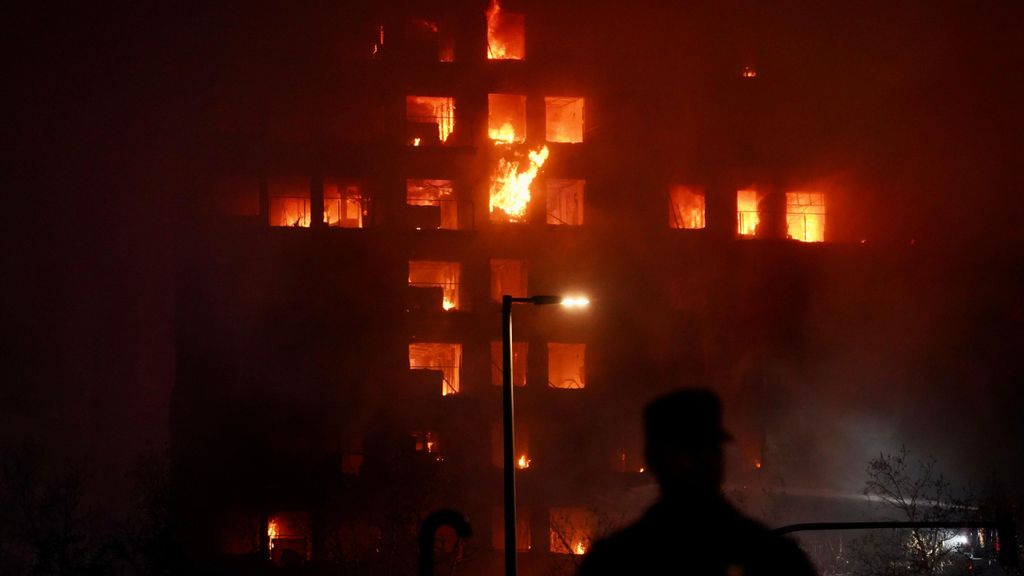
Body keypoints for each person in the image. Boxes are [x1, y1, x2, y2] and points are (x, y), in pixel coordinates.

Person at [576, 388, 817, 576]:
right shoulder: (772, 556)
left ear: (650, 460)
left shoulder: (614, 561)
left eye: (707, 449)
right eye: (688, 451)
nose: (699, 462)